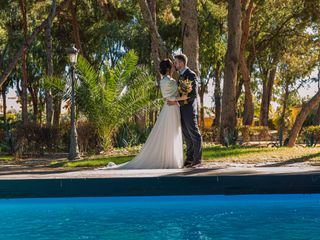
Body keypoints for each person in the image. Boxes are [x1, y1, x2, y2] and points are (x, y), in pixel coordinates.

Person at [106, 59, 187, 169]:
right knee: (171, 133)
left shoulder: (164, 81)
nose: (174, 67)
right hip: (172, 108)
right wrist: (182, 96)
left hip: (169, 108)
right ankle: (171, 160)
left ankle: (170, 159)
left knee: (171, 133)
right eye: (172, 65)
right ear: (169, 68)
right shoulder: (170, 81)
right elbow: (172, 96)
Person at [167, 54, 202, 167]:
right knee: (186, 134)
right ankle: (190, 158)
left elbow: (191, 95)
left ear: (181, 63)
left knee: (194, 133)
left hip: (189, 109)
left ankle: (197, 159)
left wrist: (175, 100)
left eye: (176, 62)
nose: (174, 64)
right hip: (181, 108)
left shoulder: (190, 75)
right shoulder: (181, 76)